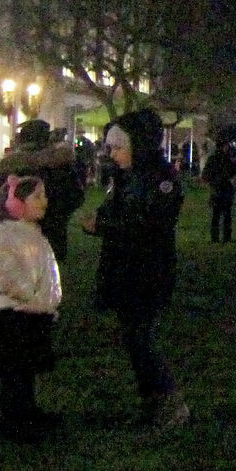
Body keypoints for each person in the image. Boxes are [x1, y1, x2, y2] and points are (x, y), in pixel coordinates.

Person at [81, 110, 189, 428]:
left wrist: (103, 225)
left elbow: (148, 224)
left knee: (142, 338)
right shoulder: (127, 178)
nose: (112, 154)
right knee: (133, 338)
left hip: (147, 271)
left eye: (118, 148)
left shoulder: (161, 179)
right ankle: (153, 401)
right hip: (126, 269)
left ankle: (170, 401)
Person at [0, 175, 62, 442]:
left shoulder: (30, 232)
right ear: (16, 203)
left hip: (31, 312)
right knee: (15, 369)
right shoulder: (5, 236)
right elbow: (1, 274)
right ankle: (14, 420)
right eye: (37, 196)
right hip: (13, 314)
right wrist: (29, 297)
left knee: (26, 368)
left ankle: (27, 411)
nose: (45, 202)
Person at [0, 120, 86, 266]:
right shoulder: (60, 163)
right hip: (53, 233)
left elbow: (1, 198)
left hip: (16, 234)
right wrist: (59, 214)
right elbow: (76, 196)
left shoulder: (10, 165)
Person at [202, 140, 236, 243]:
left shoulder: (212, 159)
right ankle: (226, 237)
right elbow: (233, 172)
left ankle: (215, 237)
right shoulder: (227, 159)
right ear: (224, 146)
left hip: (216, 189)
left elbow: (206, 174)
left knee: (216, 215)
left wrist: (212, 180)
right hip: (225, 188)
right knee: (226, 214)